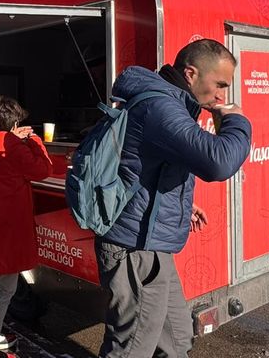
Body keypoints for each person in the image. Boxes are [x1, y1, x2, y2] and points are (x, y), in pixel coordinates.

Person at [95, 38, 252, 357]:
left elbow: (146, 166)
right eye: (220, 84)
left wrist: (181, 203)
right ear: (191, 73)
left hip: (151, 243)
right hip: (134, 247)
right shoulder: (160, 105)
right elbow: (217, 162)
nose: (223, 95)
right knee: (132, 347)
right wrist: (236, 120)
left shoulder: (171, 102)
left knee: (177, 340)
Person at [0, 96, 53, 358]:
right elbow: (44, 169)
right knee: (5, 289)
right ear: (15, 123)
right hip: (8, 228)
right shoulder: (13, 148)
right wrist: (34, 141)